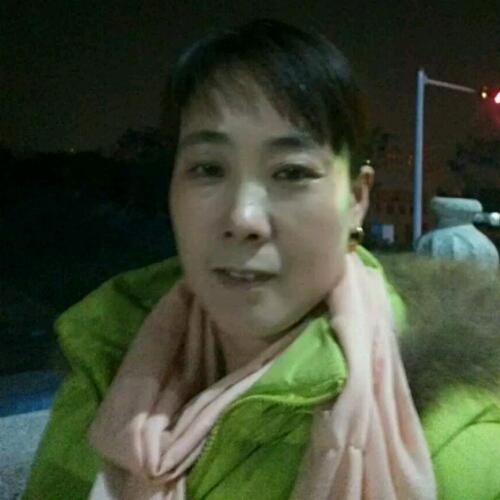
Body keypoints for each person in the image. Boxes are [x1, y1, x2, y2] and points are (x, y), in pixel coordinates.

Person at [23, 18, 500, 500]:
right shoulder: (103, 373)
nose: (243, 217)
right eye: (208, 168)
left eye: (291, 172)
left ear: (356, 199)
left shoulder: (456, 443)